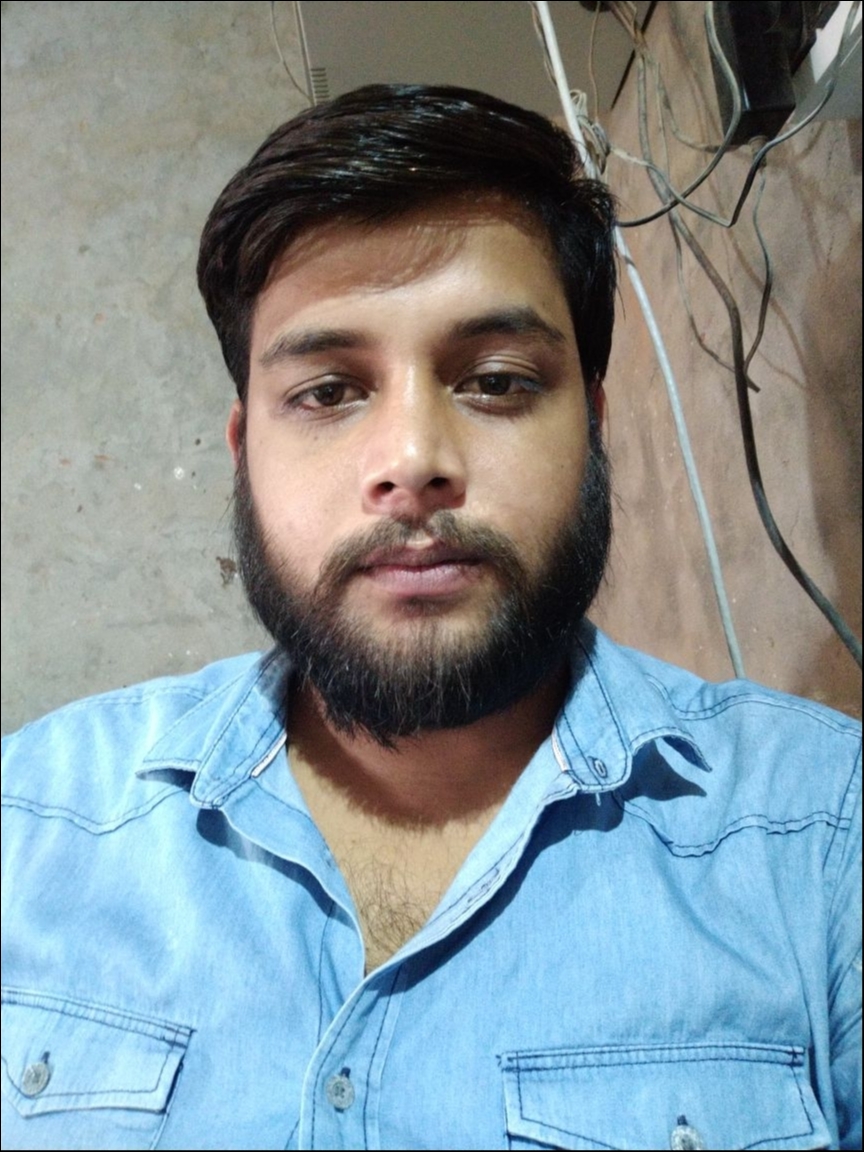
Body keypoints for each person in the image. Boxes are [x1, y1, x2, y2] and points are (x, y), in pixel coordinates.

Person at [1, 84, 860, 1152]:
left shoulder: (825, 838)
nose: (412, 461)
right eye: (328, 392)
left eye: (496, 381)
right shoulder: (27, 826)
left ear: (594, 429)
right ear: (244, 452)